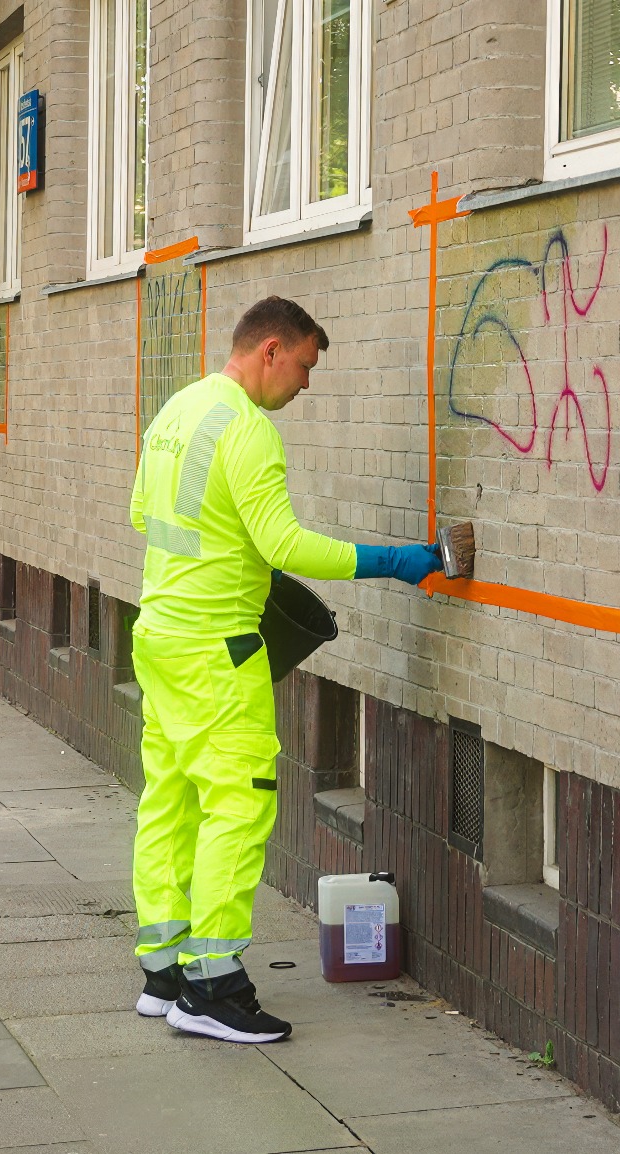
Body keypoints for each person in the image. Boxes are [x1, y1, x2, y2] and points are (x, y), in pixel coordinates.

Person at [126, 296, 438, 1043]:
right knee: (238, 805)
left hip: (159, 635)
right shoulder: (247, 429)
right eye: (303, 366)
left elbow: (146, 515)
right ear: (270, 350)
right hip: (216, 650)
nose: (305, 385)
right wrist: (390, 561)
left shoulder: (179, 409)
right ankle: (213, 989)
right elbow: (285, 546)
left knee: (169, 801)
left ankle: (163, 972)